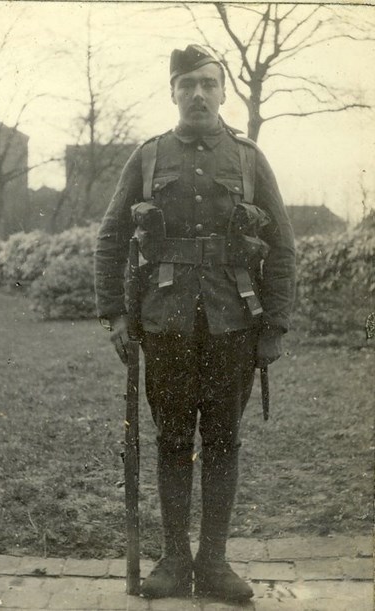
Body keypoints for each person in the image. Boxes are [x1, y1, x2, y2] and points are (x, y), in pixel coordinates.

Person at [95, 44, 296, 603]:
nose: (199, 94)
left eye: (209, 83)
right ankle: (173, 560)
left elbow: (281, 244)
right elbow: (111, 236)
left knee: (224, 442)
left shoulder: (250, 158)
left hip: (235, 322)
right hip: (165, 324)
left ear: (223, 91)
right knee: (173, 441)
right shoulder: (150, 156)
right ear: (174, 92)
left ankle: (213, 563)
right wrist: (114, 312)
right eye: (188, 85)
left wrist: (275, 325)